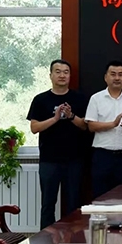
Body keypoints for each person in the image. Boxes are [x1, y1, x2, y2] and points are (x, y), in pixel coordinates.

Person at [27, 59, 87, 229]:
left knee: (74, 203)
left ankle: (73, 240)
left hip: (74, 160)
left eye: (66, 72)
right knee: (48, 204)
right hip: (49, 160)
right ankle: (46, 240)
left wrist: (71, 116)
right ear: (51, 75)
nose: (62, 75)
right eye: (58, 71)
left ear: (70, 76)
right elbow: (34, 128)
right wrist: (55, 118)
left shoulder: (80, 98)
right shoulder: (40, 99)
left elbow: (85, 126)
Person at [85, 61, 122, 198]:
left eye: (120, 75)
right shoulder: (96, 98)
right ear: (106, 77)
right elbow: (91, 126)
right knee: (101, 196)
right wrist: (113, 124)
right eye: (113, 74)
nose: (117, 78)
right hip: (102, 156)